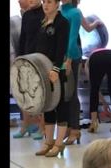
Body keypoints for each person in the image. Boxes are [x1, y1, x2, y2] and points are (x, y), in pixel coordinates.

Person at [60, 0, 101, 144]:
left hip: (72, 56)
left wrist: (69, 59)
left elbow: (72, 38)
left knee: (71, 93)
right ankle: (67, 127)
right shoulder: (59, 10)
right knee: (63, 94)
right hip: (60, 56)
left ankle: (75, 129)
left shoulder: (75, 13)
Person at [34, 0, 71, 157]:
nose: (45, 5)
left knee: (60, 104)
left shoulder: (62, 22)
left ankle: (59, 143)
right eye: (44, 2)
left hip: (56, 69)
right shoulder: (43, 22)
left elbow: (61, 48)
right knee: (48, 105)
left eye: (49, 2)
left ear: (57, 4)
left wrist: (56, 69)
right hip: (43, 69)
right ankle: (48, 141)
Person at [13, 0, 45, 140]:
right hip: (27, 57)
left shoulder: (46, 12)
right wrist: (20, 58)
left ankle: (43, 126)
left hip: (41, 57)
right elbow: (23, 38)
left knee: (41, 93)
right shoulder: (26, 15)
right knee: (24, 92)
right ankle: (25, 125)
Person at [85, 49, 111, 133]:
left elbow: (95, 89)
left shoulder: (88, 63)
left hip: (97, 59)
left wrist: (104, 102)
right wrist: (104, 103)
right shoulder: (101, 52)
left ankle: (93, 123)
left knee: (94, 90)